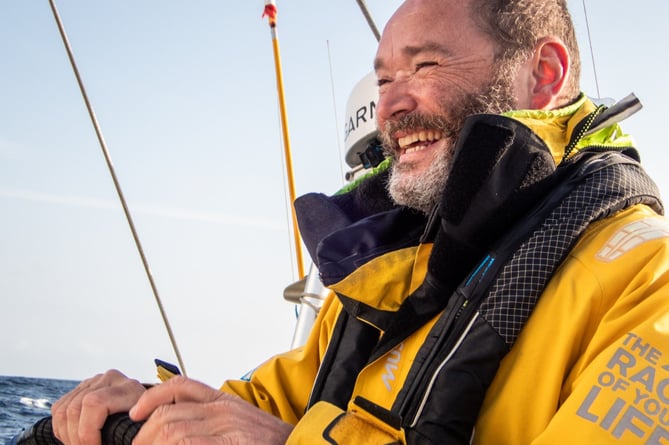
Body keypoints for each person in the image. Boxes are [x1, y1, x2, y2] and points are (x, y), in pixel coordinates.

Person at [50, 0, 669, 443]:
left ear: (545, 75)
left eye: (424, 66)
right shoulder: (394, 277)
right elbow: (269, 403)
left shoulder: (648, 282)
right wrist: (153, 406)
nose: (391, 105)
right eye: (383, 78)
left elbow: (278, 429)